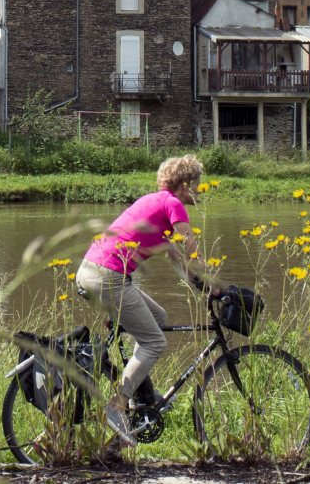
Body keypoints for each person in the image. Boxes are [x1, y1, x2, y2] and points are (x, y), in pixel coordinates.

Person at [75, 154, 211, 446]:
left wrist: (200, 285)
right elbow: (190, 246)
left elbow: (177, 257)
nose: (199, 190)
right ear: (185, 185)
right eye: (197, 184)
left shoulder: (154, 202)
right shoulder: (173, 204)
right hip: (109, 277)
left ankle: (141, 393)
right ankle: (118, 403)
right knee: (155, 342)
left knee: (158, 320)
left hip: (92, 271)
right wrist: (218, 285)